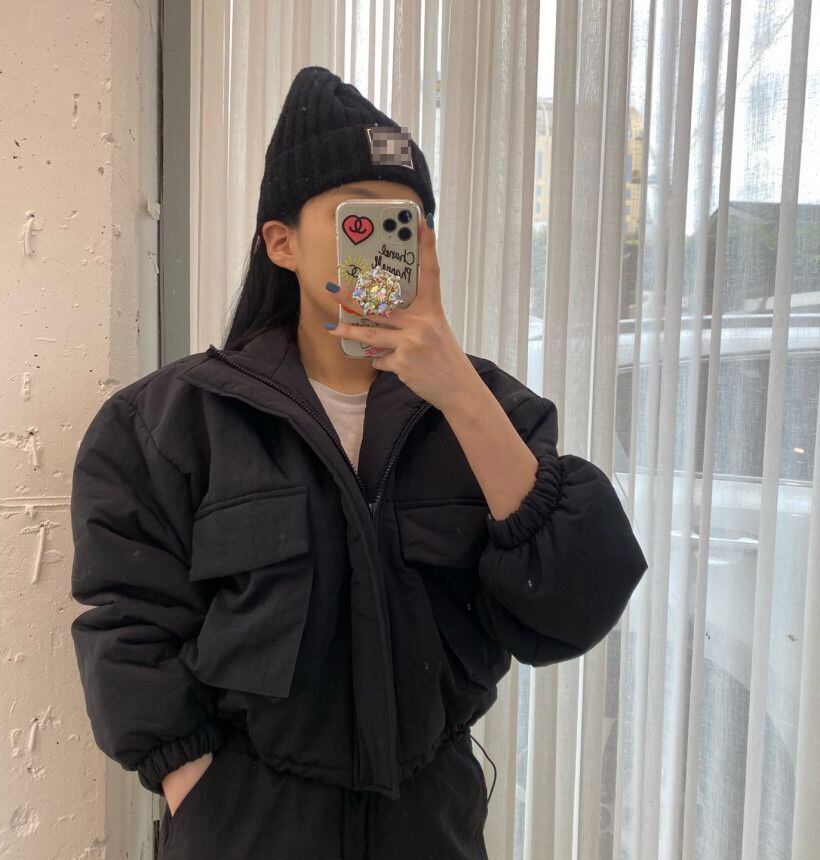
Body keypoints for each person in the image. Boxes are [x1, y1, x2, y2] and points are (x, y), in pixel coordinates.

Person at [69, 65, 648, 859]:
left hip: (431, 831)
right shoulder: (171, 423)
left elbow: (574, 607)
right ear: (282, 243)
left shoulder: (492, 413)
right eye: (358, 218)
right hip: (246, 830)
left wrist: (458, 392)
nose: (384, 240)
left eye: (406, 221)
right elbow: (128, 623)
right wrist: (194, 781)